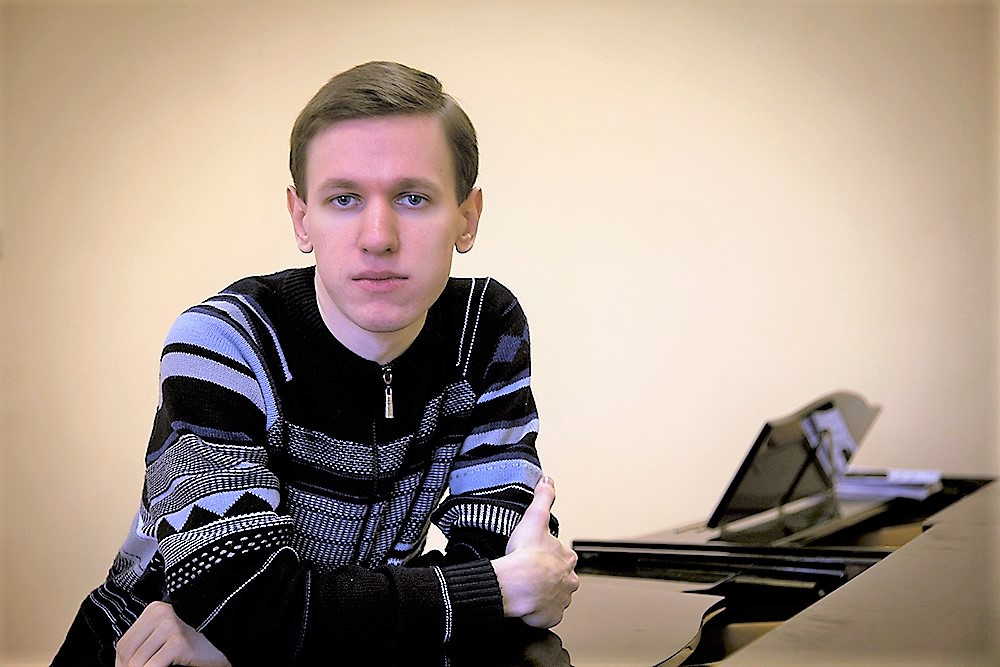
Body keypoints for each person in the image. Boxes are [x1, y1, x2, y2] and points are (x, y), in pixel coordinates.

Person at [52, 61, 579, 667]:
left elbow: (502, 541)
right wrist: (496, 592)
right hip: (142, 655)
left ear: (468, 217)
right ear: (302, 219)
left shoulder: (483, 329)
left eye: (413, 198)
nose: (378, 237)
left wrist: (264, 635)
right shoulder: (222, 342)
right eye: (343, 199)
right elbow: (244, 600)